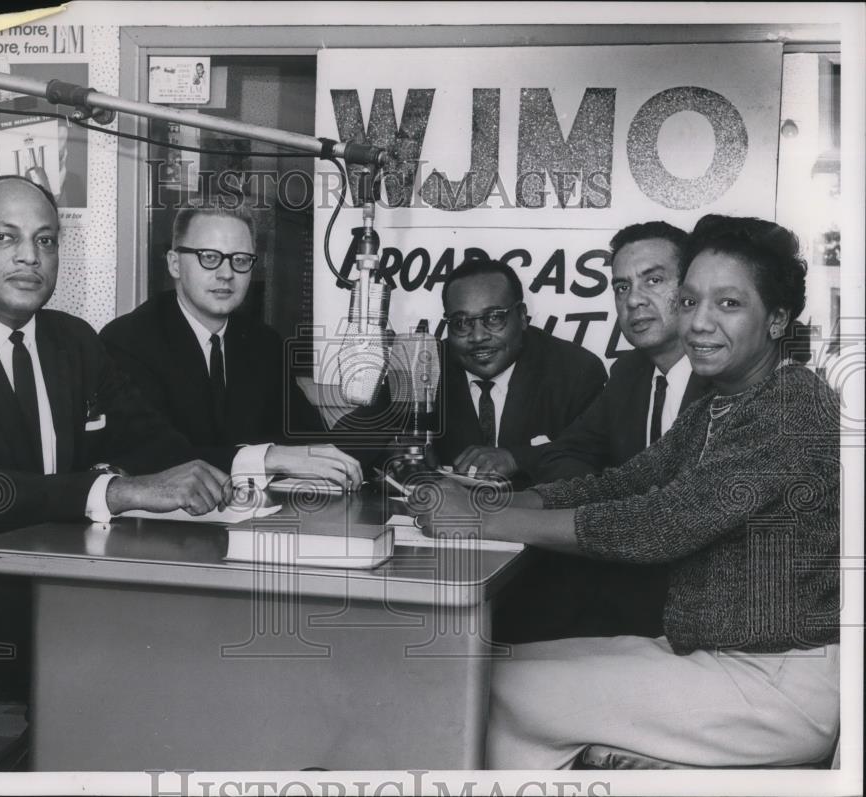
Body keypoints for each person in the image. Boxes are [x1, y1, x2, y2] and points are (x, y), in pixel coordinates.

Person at [408, 215, 840, 768]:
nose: (699, 324)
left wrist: (477, 519)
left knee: (480, 690)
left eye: (728, 304)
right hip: (708, 655)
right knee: (483, 663)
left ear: (777, 318)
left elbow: (659, 522)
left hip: (775, 683)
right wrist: (483, 502)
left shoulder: (792, 408)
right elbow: (622, 484)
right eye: (688, 302)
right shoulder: (721, 404)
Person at [0, 176, 232, 699]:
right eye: (5, 238)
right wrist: (115, 490)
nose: (30, 256)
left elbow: (160, 446)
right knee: (161, 660)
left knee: (201, 638)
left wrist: (259, 464)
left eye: (46, 240)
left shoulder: (73, 340)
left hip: (66, 590)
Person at [522, 222, 711, 640]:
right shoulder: (629, 372)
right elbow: (561, 454)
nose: (635, 300)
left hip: (696, 613)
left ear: (692, 289)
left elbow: (676, 521)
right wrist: (610, 493)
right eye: (622, 287)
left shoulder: (726, 382)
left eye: (654, 280)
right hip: (626, 588)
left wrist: (617, 499)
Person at [100, 203, 363, 489]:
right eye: (209, 257)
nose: (226, 273)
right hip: (160, 528)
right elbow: (153, 456)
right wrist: (268, 457)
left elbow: (308, 442)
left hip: (255, 520)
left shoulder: (264, 343)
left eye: (239, 260)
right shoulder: (128, 341)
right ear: (174, 263)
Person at [339, 257, 607, 480]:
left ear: (522, 316)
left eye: (494, 318)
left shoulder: (575, 370)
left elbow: (597, 457)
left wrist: (518, 458)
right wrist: (389, 452)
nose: (478, 336)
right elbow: (348, 439)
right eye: (461, 322)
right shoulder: (427, 363)